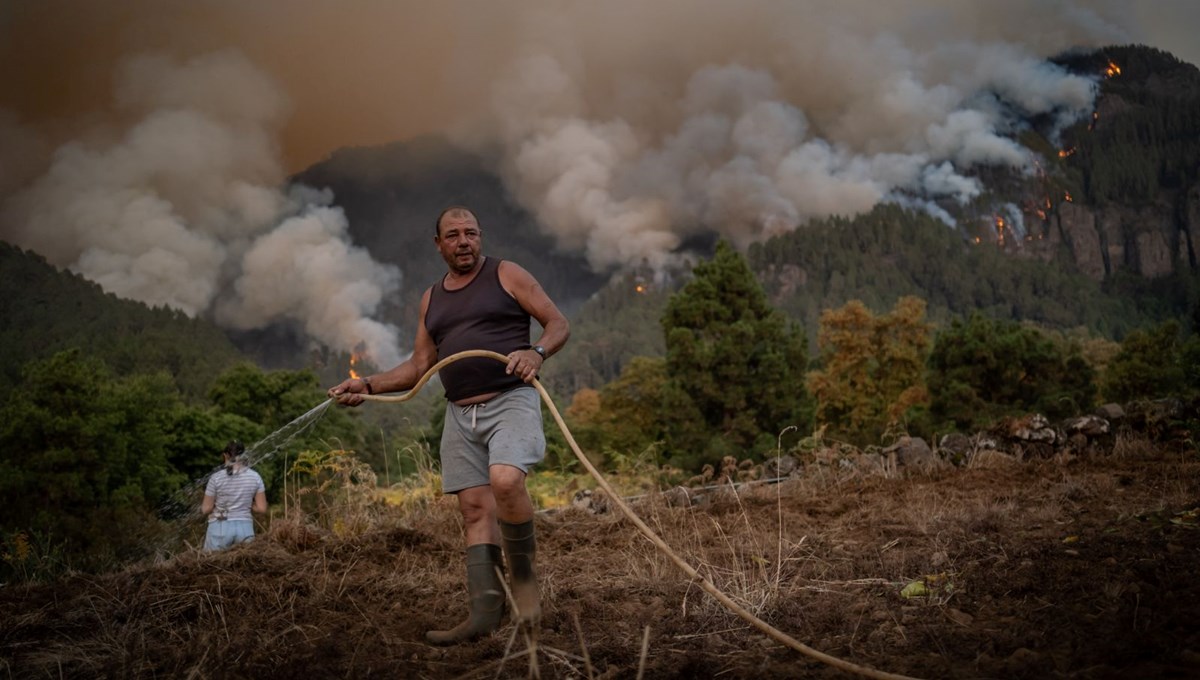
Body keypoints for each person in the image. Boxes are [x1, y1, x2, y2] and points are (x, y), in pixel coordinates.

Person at [328, 205, 569, 645]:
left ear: (481, 237)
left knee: (506, 479)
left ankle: (526, 588)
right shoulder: (431, 298)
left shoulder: (507, 274)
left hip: (510, 399)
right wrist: (366, 384)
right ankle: (484, 614)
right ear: (438, 244)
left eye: (471, 233)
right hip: (459, 413)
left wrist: (536, 353)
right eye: (454, 235)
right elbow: (419, 365)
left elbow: (557, 322)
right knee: (474, 511)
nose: (464, 242)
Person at [201, 440, 268, 551]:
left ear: (225, 455)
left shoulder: (216, 478)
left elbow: (206, 509)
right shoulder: (255, 477)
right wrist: (247, 504)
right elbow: (262, 508)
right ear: (244, 455)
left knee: (212, 566)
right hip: (245, 529)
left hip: (220, 527)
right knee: (245, 566)